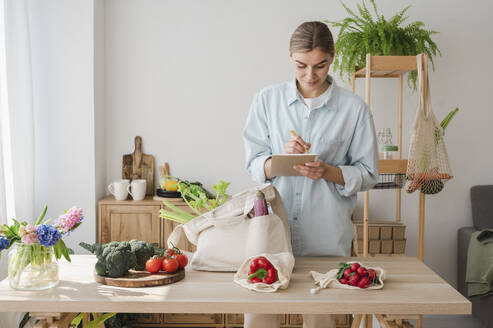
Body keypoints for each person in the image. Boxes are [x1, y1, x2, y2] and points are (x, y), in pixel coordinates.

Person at [242, 21, 379, 328]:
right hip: (272, 232)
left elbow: (369, 173)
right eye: (301, 66)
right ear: (290, 57)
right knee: (260, 315)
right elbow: (254, 165)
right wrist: (279, 158)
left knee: (320, 319)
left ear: (332, 59)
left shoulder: (354, 109)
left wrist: (328, 171)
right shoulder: (267, 100)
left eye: (320, 66)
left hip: (326, 236)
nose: (310, 76)